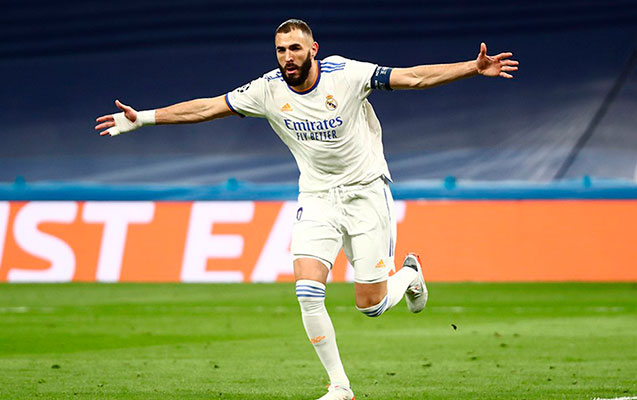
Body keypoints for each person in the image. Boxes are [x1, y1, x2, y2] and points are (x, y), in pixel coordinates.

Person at [95, 19, 518, 400]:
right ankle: (340, 387)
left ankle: (409, 274)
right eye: (280, 50)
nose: (287, 57)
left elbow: (413, 77)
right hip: (317, 197)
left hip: (366, 194)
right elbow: (208, 107)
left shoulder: (347, 75)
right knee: (307, 291)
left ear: (313, 49)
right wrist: (143, 118)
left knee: (370, 305)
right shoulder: (267, 90)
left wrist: (472, 67)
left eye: (295, 48)